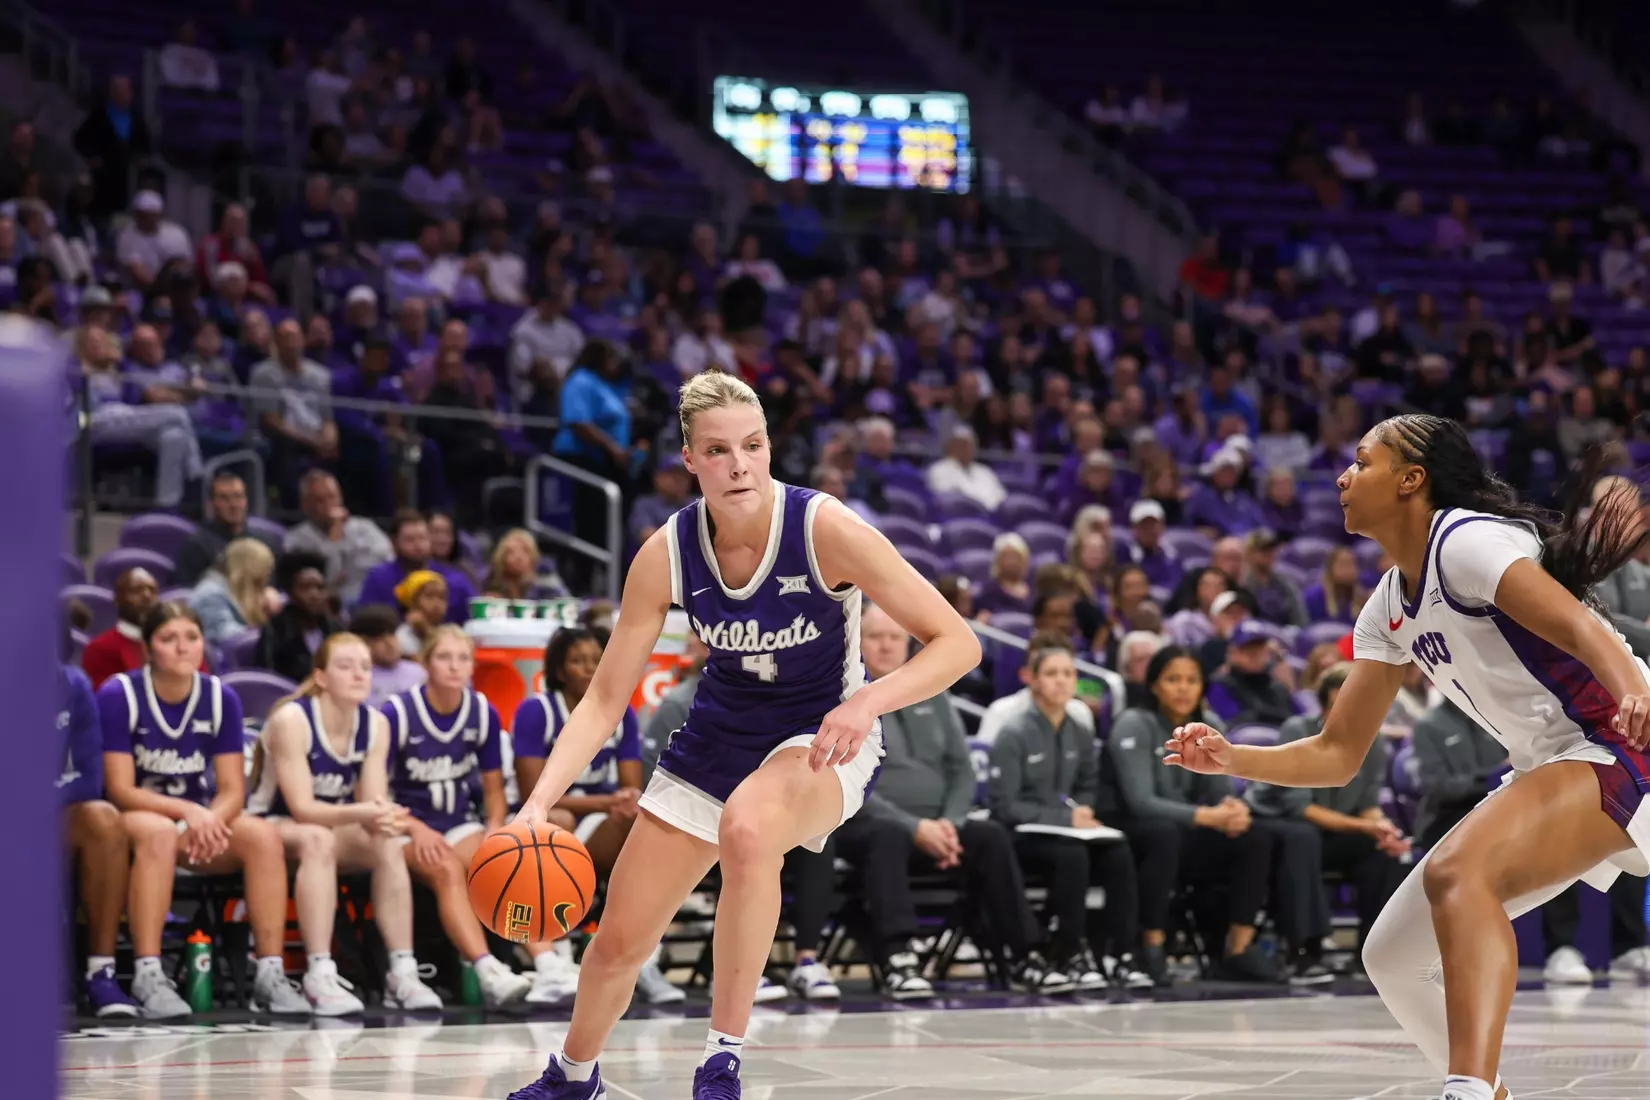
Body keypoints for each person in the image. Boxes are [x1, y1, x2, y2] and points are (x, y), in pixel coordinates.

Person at [506, 371, 980, 1099]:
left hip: (820, 737)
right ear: (689, 460)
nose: (739, 465)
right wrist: (537, 804)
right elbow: (604, 699)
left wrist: (868, 704)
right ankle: (574, 1077)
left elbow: (958, 643)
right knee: (617, 944)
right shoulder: (665, 553)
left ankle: (721, 1061)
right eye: (719, 450)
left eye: (753, 446)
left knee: (750, 830)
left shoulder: (825, 528)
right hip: (716, 737)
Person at [1163, 414, 1650, 1100]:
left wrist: (1633, 691)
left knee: (1460, 873)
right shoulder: (1388, 605)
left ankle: (1468, 1091)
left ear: (1411, 479)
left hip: (1621, 742)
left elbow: (1576, 624)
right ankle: (1491, 1090)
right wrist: (1232, 758)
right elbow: (1336, 754)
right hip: (1558, 761)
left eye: (1363, 462)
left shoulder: (1466, 541)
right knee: (1391, 955)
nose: (1344, 476)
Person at [97, 602, 308, 1018]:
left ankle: (268, 971)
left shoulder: (220, 697)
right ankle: (148, 973)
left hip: (196, 822)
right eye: (168, 639)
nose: (182, 648)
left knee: (263, 837)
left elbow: (232, 789)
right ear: (149, 648)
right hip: (137, 817)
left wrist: (210, 816)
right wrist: (188, 812)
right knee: (157, 831)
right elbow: (121, 790)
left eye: (191, 637)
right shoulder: (120, 694)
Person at [246, 633, 444, 1012]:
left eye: (365, 667)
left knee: (385, 839)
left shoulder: (374, 723)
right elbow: (302, 808)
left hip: (330, 825)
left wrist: (385, 816)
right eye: (346, 666)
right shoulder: (292, 719)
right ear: (320, 676)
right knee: (318, 838)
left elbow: (372, 803)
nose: (359, 675)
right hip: (272, 824)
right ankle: (319, 972)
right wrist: (367, 812)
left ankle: (402, 972)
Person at [512, 626, 684, 1007]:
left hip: (596, 820)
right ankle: (553, 962)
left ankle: (646, 958)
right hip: (540, 819)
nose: (590, 668)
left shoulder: (622, 712)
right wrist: (610, 803)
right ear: (558, 670)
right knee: (556, 820)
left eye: (596, 659)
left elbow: (627, 786)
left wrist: (625, 800)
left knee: (652, 824)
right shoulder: (536, 711)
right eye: (578, 661)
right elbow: (531, 794)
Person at [1107, 645, 1283, 984]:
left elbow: (1221, 792)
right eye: (1173, 679)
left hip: (1186, 830)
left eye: (1191, 680)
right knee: (1163, 835)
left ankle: (1237, 948)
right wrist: (1208, 817)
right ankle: (1151, 945)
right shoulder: (1134, 723)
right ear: (1155, 685)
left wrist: (1233, 812)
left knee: (1256, 836)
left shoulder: (1209, 725)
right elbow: (1140, 801)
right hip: (1135, 829)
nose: (1183, 688)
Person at [988, 636, 1151, 990]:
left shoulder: (1078, 730)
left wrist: (1085, 809)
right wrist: (1064, 819)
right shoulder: (1013, 733)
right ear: (1032, 680)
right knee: (1072, 855)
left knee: (1118, 851)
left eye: (1068, 673)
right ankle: (1068, 951)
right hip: (1024, 835)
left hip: (1070, 830)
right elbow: (1003, 806)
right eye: (1051, 673)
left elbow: (1088, 784)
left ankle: (1120, 952)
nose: (1061, 681)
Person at [383, 626, 532, 1008]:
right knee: (447, 868)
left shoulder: (482, 711)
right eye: (444, 657)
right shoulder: (397, 713)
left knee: (508, 859)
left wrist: (496, 828)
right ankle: (487, 971)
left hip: (457, 822)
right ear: (426, 663)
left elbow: (494, 788)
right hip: (399, 827)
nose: (454, 666)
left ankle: (547, 963)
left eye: (463, 658)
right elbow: (375, 795)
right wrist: (414, 828)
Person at [1245, 663, 1413, 967]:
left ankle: (1372, 952)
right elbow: (1302, 808)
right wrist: (1365, 825)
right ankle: (1307, 948)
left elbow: (1368, 805)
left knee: (1382, 852)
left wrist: (1382, 827)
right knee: (1303, 837)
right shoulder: (1298, 730)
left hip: (1331, 829)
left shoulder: (1373, 743)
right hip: (1279, 823)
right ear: (1326, 701)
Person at [60, 644, 139, 1017]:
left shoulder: (73, 685)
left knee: (104, 820)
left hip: (50, 811)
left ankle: (101, 972)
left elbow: (90, 781)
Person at [356, 510, 476, 623]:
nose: (418, 545)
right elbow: (367, 623)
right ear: (394, 543)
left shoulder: (455, 580)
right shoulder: (378, 579)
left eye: (422, 538)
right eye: (410, 540)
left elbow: (473, 620)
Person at [173, 472, 280, 587]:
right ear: (211, 504)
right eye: (224, 498)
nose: (234, 504)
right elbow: (188, 594)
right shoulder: (196, 546)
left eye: (238, 496)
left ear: (246, 501)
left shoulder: (266, 543)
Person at [256, 551, 342, 682]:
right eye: (305, 588)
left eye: (320, 588)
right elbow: (269, 679)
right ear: (290, 594)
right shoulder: (276, 630)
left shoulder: (336, 630)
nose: (314, 595)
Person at [188, 537, 280, 649]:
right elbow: (226, 637)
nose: (266, 579)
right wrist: (269, 635)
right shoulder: (210, 595)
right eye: (262, 573)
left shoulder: (242, 590)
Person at [82, 566, 165, 688]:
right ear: (117, 599)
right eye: (136, 590)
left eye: (153, 590)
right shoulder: (100, 648)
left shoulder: (176, 644)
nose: (147, 596)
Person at [350, 603, 427, 707]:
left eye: (392, 634)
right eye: (381, 638)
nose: (390, 644)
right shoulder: (357, 678)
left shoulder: (418, 673)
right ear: (364, 642)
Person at [394, 569, 448, 656]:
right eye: (429, 596)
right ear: (413, 601)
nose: (437, 604)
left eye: (442, 597)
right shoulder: (402, 637)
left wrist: (426, 630)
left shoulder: (448, 632)